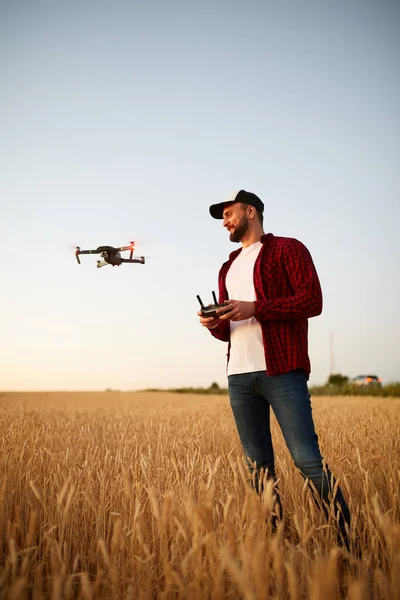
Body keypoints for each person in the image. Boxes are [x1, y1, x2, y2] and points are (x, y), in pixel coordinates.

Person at [198, 189, 351, 548]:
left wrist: (256, 308)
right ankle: (278, 548)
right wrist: (213, 324)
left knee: (308, 461)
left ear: (251, 210)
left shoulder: (288, 248)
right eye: (222, 218)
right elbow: (229, 331)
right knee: (258, 470)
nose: (225, 222)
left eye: (229, 213)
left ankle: (350, 548)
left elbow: (312, 300)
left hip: (281, 371)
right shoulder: (227, 266)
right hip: (239, 376)